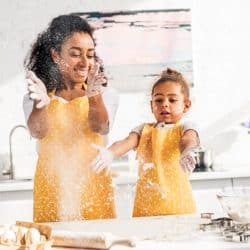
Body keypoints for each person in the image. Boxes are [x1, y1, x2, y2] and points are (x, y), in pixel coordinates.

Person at [23, 14, 119, 222]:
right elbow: (38, 131)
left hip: (94, 192)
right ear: (56, 55)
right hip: (52, 194)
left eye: (90, 55)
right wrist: (41, 106)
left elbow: (101, 127)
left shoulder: (107, 95)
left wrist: (94, 97)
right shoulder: (37, 94)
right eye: (75, 54)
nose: (85, 62)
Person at [92, 68, 200, 217]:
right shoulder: (144, 130)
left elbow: (188, 140)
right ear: (151, 105)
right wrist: (110, 153)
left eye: (172, 100)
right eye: (159, 100)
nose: (165, 104)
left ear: (186, 105)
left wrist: (188, 151)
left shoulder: (185, 128)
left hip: (178, 206)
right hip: (146, 208)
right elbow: (126, 142)